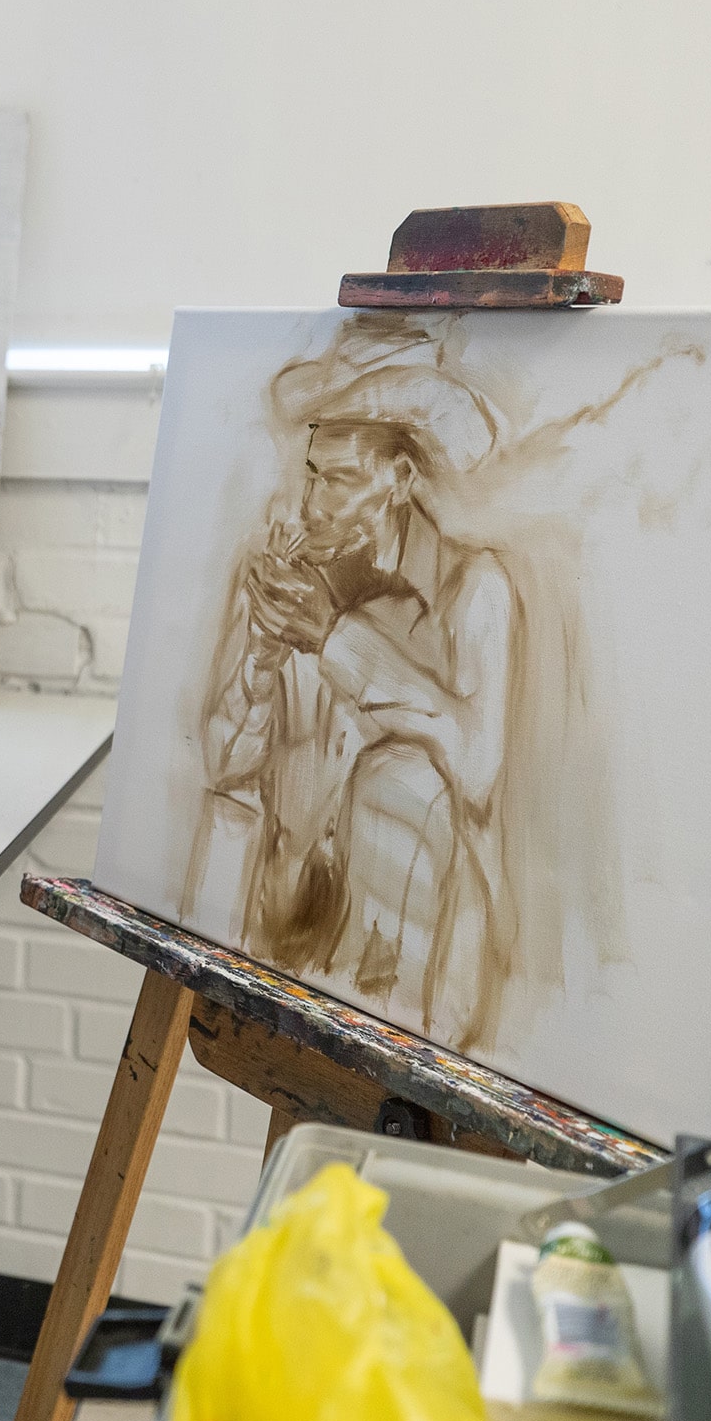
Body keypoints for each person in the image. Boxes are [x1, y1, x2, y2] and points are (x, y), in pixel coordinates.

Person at [190, 343, 517, 1048]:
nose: (314, 504)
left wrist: (332, 639)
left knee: (401, 776)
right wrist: (262, 655)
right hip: (286, 950)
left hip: (421, 1002)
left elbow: (478, 764)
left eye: (337, 481)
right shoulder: (296, 576)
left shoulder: (475, 590)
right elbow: (222, 760)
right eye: (310, 477)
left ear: (400, 479)